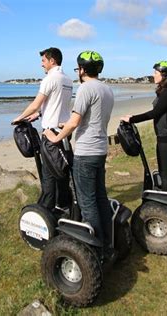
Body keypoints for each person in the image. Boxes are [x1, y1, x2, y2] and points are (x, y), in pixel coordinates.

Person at [43, 51, 114, 250]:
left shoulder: (85, 88)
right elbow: (91, 118)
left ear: (82, 69)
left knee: (87, 202)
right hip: (100, 150)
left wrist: (55, 137)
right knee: (101, 197)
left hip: (86, 152)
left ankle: (95, 248)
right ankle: (108, 240)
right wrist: (68, 123)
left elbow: (74, 122)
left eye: (78, 68)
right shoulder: (107, 89)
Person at [12, 47, 73, 212]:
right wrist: (38, 114)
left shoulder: (50, 79)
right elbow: (56, 103)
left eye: (43, 61)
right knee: (61, 171)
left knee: (48, 174)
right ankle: (63, 204)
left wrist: (19, 118)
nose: (41, 64)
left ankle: (45, 209)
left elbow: (36, 103)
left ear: (52, 61)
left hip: (51, 133)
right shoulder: (67, 80)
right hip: (65, 130)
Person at [121, 61, 167, 193]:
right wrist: (132, 117)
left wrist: (132, 119)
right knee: (163, 167)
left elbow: (154, 113)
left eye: (156, 72)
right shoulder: (165, 90)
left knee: (165, 170)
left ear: (164, 75)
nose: (153, 75)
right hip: (164, 134)